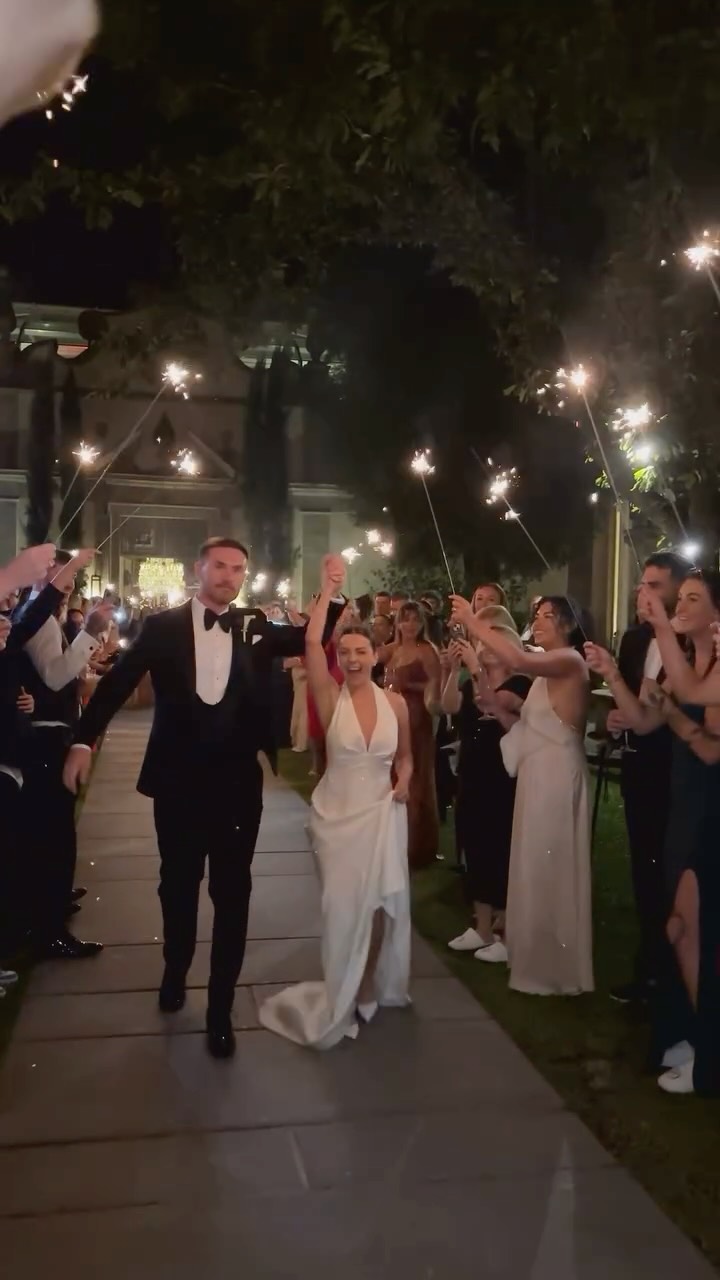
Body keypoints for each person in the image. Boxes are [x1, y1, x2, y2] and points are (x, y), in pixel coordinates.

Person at [62, 538, 344, 1059]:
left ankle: (220, 1011)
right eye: (220, 566)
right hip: (178, 782)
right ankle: (175, 966)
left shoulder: (254, 626)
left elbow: (313, 634)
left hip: (239, 784)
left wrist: (330, 590)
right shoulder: (163, 626)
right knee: (177, 883)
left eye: (238, 568)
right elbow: (118, 683)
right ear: (200, 569)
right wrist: (84, 738)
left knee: (234, 893)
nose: (229, 576)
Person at [260, 566, 412, 1048]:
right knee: (343, 909)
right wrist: (326, 594)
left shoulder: (397, 705)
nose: (351, 659)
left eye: (360, 651)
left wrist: (404, 781)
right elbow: (309, 644)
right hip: (337, 816)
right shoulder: (330, 699)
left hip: (382, 813)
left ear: (374, 655)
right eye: (344, 652)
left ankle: (365, 985)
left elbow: (406, 757)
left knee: (378, 909)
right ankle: (340, 991)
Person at [588, 573, 720, 1096]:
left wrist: (662, 624)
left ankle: (705, 1050)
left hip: (711, 807)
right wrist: (612, 676)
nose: (678, 604)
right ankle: (690, 1037)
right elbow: (646, 722)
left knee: (688, 929)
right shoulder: (684, 663)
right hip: (683, 804)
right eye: (677, 597)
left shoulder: (705, 670)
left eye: (692, 599)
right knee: (680, 929)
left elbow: (708, 746)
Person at [451, 593, 594, 996]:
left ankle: (555, 965)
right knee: (531, 862)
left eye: (547, 616)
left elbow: (518, 661)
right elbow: (525, 723)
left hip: (556, 775)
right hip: (535, 772)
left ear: (566, 624)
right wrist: (497, 711)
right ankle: (530, 951)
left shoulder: (568, 661)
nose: (539, 621)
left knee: (550, 862)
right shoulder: (547, 673)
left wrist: (472, 622)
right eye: (538, 615)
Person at [16, 548, 111, 959]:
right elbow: (55, 676)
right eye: (60, 573)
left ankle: (52, 905)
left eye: (71, 575)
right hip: (43, 741)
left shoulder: (49, 619)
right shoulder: (36, 619)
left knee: (56, 834)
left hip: (53, 734)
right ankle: (49, 926)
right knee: (53, 835)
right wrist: (90, 633)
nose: (68, 582)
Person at [608, 552, 690, 1005]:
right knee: (644, 871)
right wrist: (618, 719)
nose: (645, 594)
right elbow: (625, 690)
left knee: (673, 874)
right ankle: (648, 967)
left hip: (675, 767)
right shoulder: (636, 640)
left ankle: (674, 974)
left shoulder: (692, 643)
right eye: (642, 585)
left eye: (655, 585)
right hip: (639, 766)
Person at [442, 624, 531, 961]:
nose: (486, 647)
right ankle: (480, 925)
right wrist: (452, 670)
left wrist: (477, 670)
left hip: (503, 774)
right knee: (474, 843)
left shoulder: (520, 684)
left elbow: (492, 703)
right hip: (473, 771)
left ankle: (505, 928)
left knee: (502, 846)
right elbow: (450, 705)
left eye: (496, 642)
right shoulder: (470, 680)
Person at [385, 601, 441, 869]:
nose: (409, 625)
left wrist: (408, 684)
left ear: (422, 624)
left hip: (417, 715)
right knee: (394, 771)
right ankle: (393, 836)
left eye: (414, 620)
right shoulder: (395, 649)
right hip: (392, 713)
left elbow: (435, 685)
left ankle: (416, 845)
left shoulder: (426, 651)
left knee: (416, 774)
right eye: (404, 619)